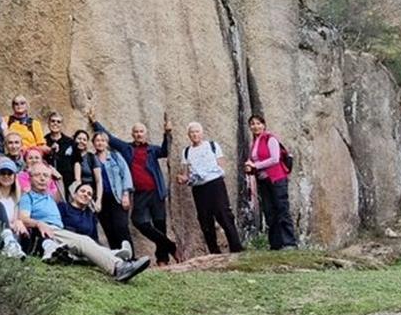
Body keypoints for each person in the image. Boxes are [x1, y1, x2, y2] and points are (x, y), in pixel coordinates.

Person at [19, 163, 150, 282]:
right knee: (83, 241)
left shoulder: (49, 197)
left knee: (84, 247)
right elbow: (23, 218)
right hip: (47, 232)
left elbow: (59, 190)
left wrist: (58, 178)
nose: (42, 179)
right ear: (30, 178)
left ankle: (115, 256)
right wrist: (39, 224)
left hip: (58, 233)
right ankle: (118, 267)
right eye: (37, 175)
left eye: (46, 176)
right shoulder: (28, 197)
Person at [89, 108, 178, 265]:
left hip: (156, 192)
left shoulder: (152, 149)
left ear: (146, 133)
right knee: (138, 221)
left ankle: (163, 259)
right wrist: (95, 122)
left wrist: (167, 133)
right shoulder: (126, 148)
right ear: (132, 134)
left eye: (141, 131)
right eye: (136, 131)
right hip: (139, 193)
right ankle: (171, 246)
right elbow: (109, 138)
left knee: (160, 225)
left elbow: (165, 151)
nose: (138, 134)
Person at [178, 122, 243, 254]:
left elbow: (221, 164)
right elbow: (185, 173)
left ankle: (236, 248)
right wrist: (183, 178)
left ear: (202, 133)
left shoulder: (212, 146)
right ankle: (214, 251)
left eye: (197, 131)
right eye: (192, 132)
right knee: (205, 219)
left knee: (224, 214)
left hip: (215, 184)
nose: (195, 134)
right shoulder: (186, 152)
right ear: (188, 135)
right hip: (198, 188)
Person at [245, 114, 297, 250]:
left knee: (281, 208)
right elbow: (255, 161)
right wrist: (250, 167)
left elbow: (275, 159)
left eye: (258, 123)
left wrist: (256, 165)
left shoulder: (270, 139)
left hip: (276, 179)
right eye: (252, 124)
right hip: (264, 181)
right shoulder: (253, 143)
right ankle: (276, 244)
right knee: (269, 211)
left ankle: (289, 242)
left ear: (264, 125)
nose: (255, 126)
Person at [59, 182, 134, 263]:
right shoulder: (63, 207)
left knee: (93, 247)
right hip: (68, 243)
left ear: (90, 199)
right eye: (82, 191)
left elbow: (94, 238)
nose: (85, 194)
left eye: (89, 194)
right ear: (74, 194)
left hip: (86, 248)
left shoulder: (90, 215)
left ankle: (118, 256)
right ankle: (116, 254)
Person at [91, 130, 134, 249]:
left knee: (121, 227)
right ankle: (117, 257)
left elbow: (126, 174)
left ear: (107, 143)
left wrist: (126, 194)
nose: (100, 143)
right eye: (97, 140)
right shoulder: (92, 159)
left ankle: (130, 256)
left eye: (103, 140)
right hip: (102, 200)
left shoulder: (115, 156)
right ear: (93, 143)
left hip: (117, 197)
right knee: (109, 230)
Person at [0, 157, 30, 259]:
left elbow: (16, 220)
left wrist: (18, 222)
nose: (6, 176)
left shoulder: (16, 197)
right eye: (3, 173)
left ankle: (10, 247)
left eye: (9, 173)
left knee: (24, 230)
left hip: (4, 235)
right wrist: (11, 224)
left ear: (14, 176)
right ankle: (9, 243)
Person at [63, 129, 100, 195]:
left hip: (88, 193)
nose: (81, 141)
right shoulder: (68, 155)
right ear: (74, 139)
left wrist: (98, 198)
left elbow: (98, 181)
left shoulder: (91, 157)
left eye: (84, 140)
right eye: (79, 138)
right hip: (69, 191)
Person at [43, 111, 71, 177]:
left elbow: (76, 161)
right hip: (48, 178)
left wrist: (77, 179)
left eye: (58, 122)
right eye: (53, 121)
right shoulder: (43, 141)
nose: (55, 123)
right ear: (48, 123)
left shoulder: (70, 142)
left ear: (62, 125)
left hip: (67, 179)